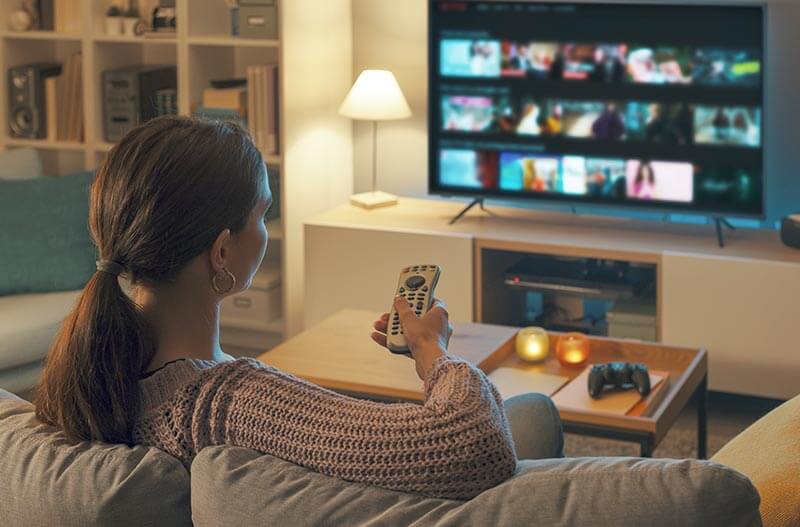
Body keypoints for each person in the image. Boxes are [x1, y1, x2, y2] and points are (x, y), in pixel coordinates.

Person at [33, 116, 532, 501]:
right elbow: (473, 445)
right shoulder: (226, 406)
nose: (267, 230)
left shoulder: (83, 375)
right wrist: (431, 350)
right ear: (222, 253)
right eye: (263, 214)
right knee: (532, 414)